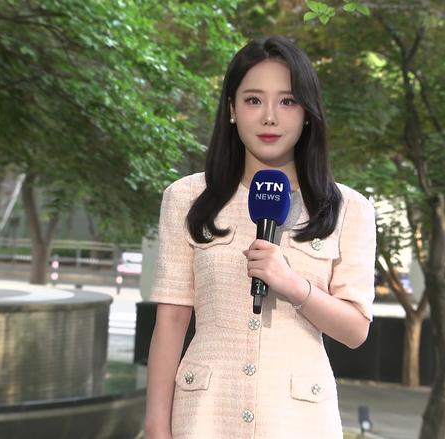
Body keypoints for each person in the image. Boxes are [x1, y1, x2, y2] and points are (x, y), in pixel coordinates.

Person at [144, 35, 376, 439]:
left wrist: (293, 285)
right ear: (232, 109)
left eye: (287, 101)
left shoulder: (349, 208)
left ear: (307, 113)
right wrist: (156, 428)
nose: (270, 117)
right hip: (204, 417)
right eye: (253, 100)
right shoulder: (186, 198)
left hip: (298, 422)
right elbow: (171, 320)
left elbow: (355, 330)